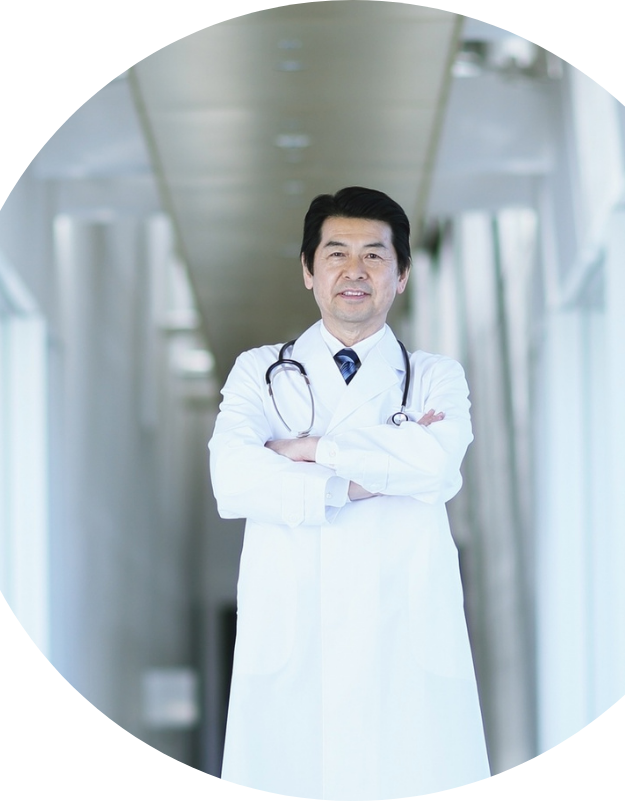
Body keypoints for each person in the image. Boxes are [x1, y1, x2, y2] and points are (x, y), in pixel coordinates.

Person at [208, 187, 490, 800]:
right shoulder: (259, 372)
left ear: (403, 274)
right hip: (293, 647)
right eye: (336, 253)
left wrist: (314, 451)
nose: (355, 271)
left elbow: (438, 467)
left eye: (375, 255)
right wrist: (362, 482)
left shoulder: (436, 376)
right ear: (309, 271)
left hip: (404, 647)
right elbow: (233, 481)